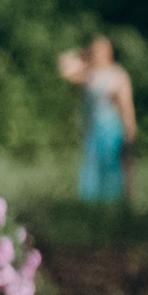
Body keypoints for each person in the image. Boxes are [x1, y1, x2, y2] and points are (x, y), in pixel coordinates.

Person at [58, 35, 136, 208]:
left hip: (112, 133)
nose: (97, 54)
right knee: (92, 174)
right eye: (94, 51)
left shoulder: (118, 75)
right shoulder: (89, 75)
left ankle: (112, 209)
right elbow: (64, 68)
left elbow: (127, 108)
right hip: (93, 132)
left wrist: (130, 134)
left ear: (109, 53)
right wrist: (83, 56)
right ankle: (93, 211)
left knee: (111, 172)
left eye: (100, 51)